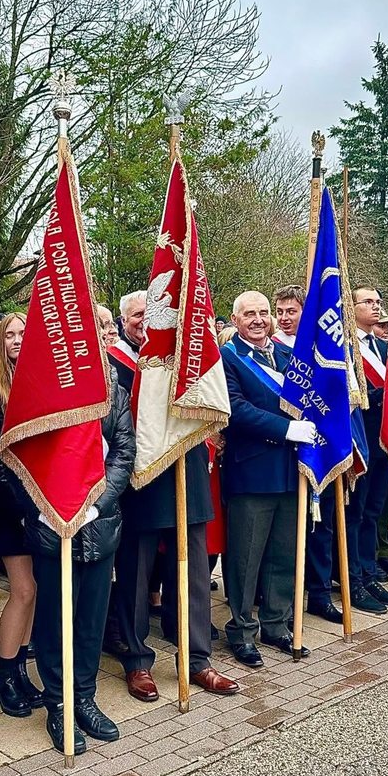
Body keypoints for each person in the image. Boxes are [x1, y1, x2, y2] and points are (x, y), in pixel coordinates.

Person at [108, 291, 238, 699]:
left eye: (154, 313)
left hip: (188, 472)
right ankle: (136, 660)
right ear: (124, 321)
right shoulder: (114, 364)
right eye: (137, 315)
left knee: (195, 575)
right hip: (141, 480)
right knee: (135, 576)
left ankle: (197, 659)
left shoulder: (189, 358)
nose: (146, 320)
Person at [26, 371, 135, 753]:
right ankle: (58, 703)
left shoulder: (113, 390)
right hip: (51, 526)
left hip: (99, 526)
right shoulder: (39, 382)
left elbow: (123, 452)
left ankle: (84, 697)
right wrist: (41, 508)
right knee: (55, 622)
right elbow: (16, 455)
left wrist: (96, 505)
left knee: (91, 621)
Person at [220, 291, 317, 667]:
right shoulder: (228, 358)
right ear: (235, 319)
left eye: (263, 312)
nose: (259, 319)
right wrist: (287, 429)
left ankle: (276, 624)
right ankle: (242, 630)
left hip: (292, 470)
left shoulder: (289, 355)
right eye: (250, 314)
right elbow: (236, 409)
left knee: (283, 553)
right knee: (245, 560)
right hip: (252, 472)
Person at [0, 313, 42, 716]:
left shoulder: (35, 379)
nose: (17, 340)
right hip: (9, 504)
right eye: (10, 334)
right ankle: (5, 678)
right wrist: (20, 505)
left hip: (37, 502)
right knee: (23, 590)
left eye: (23, 333)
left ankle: (19, 671)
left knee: (33, 590)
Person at [345, 287, 388, 613]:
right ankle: (353, 578)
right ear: (351, 307)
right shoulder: (344, 347)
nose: (375, 306)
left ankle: (368, 574)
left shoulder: (383, 348)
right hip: (359, 443)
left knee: (373, 513)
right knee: (355, 514)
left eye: (378, 302)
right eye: (368, 302)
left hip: (383, 443)